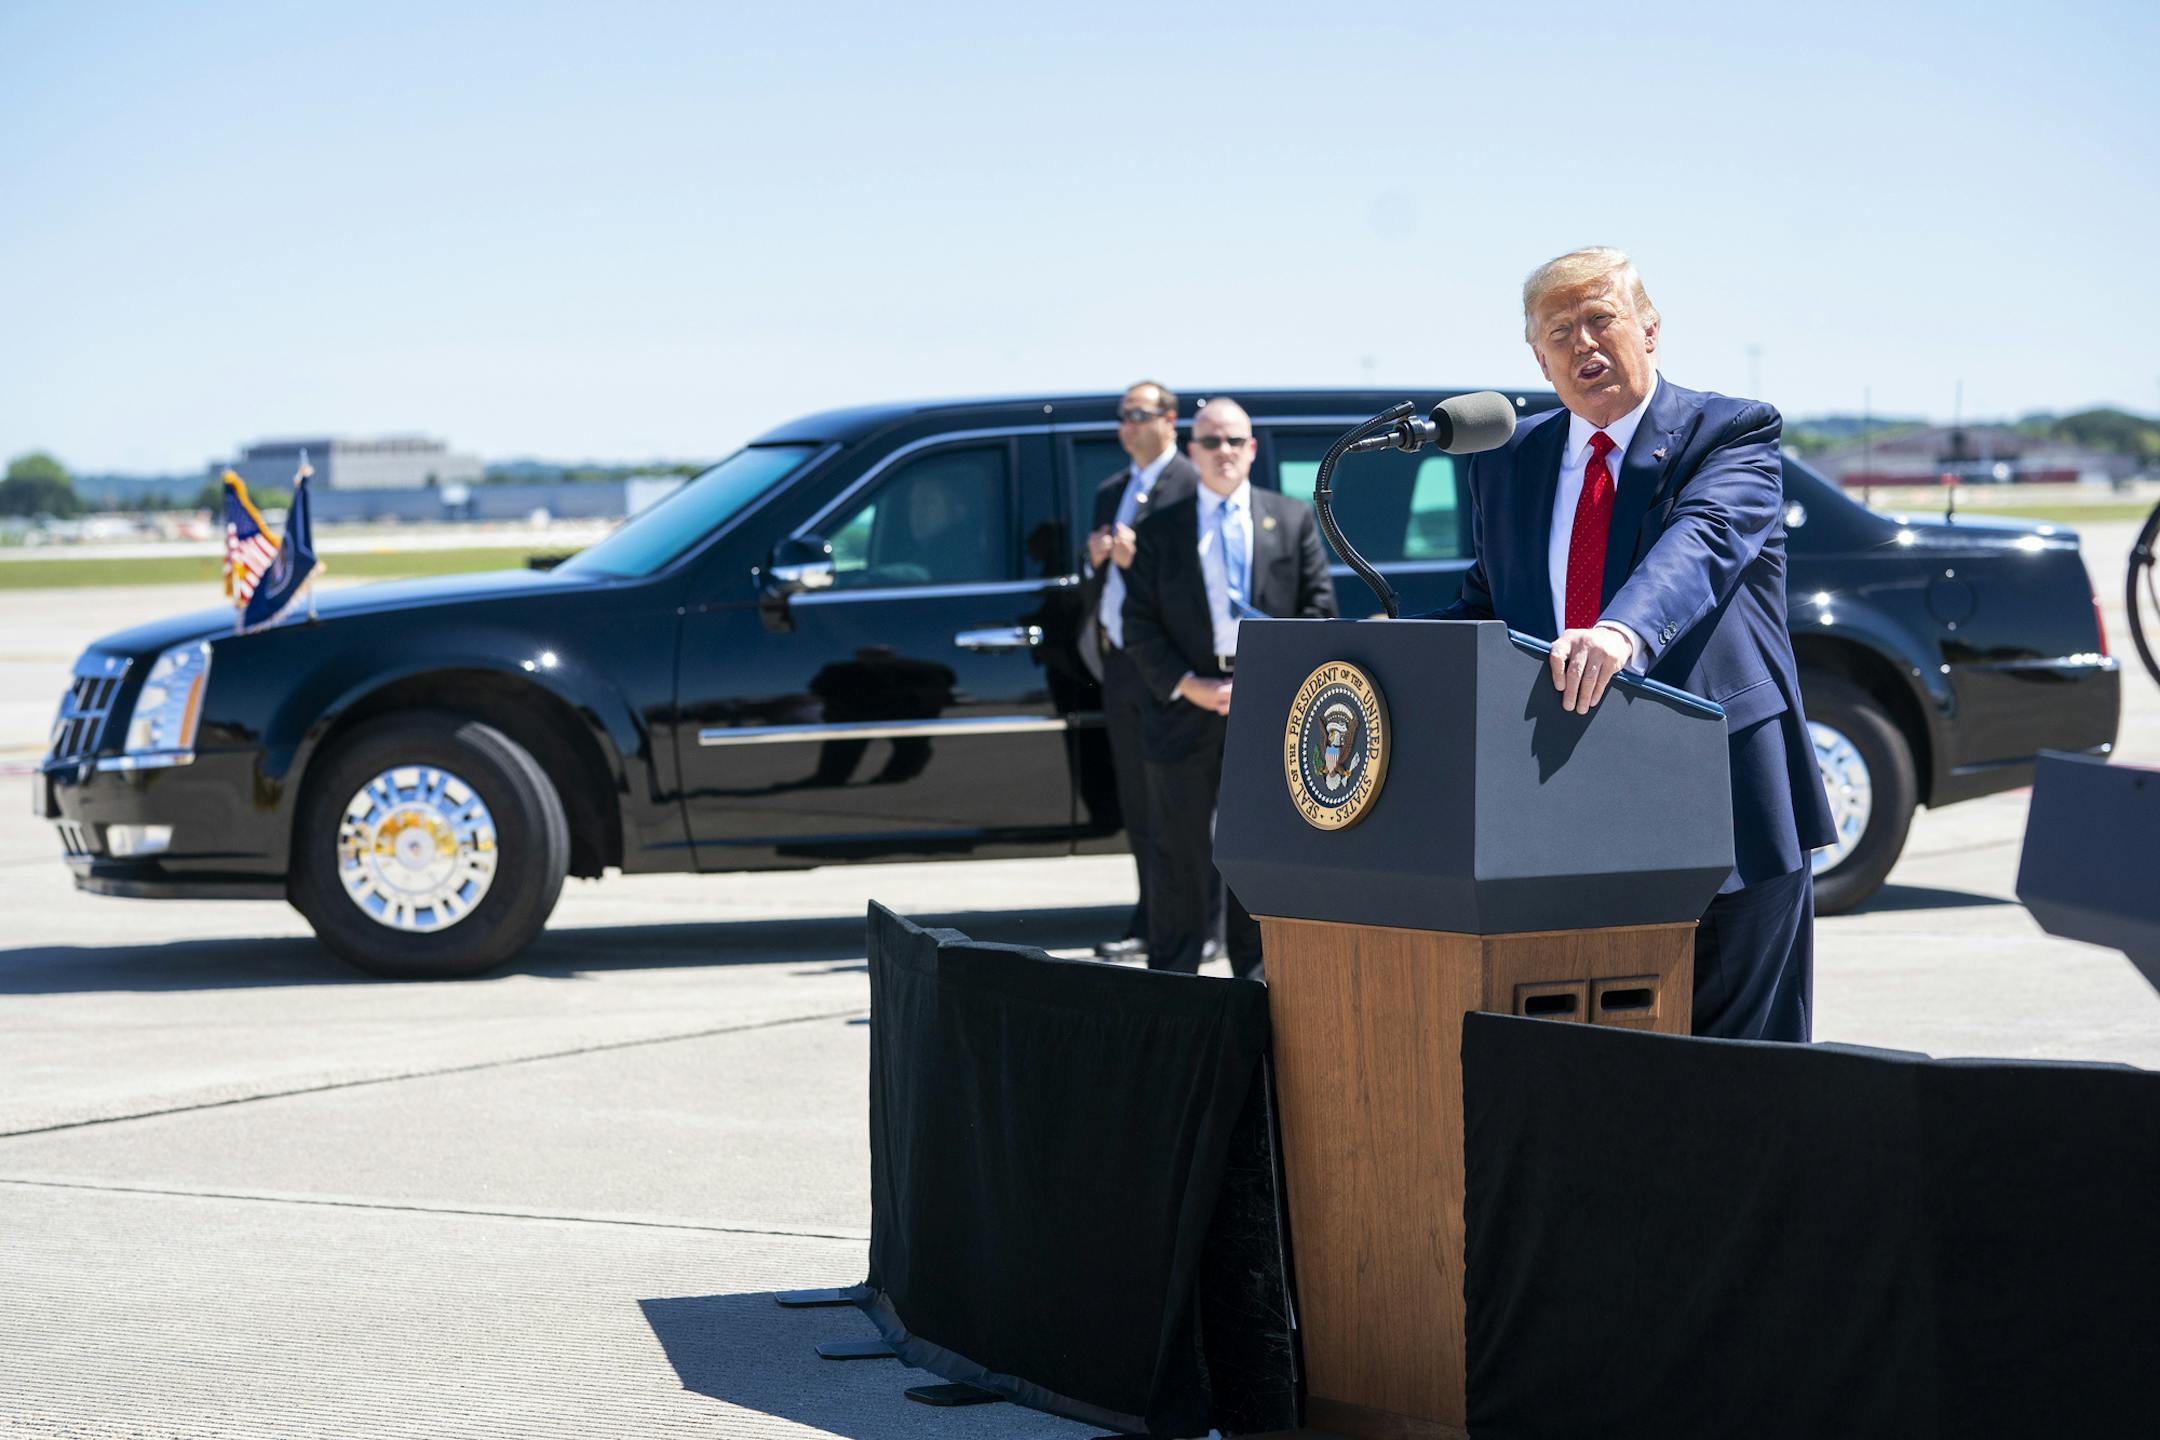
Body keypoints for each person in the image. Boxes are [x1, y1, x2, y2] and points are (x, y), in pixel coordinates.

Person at [1430, 247, 1836, 1041]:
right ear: (1537, 358)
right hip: (1565, 820)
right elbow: (1490, 601)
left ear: (1649, 331)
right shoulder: (1509, 462)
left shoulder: (1730, 433)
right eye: (1560, 331)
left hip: (1719, 807)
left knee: (1744, 1082)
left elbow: (1703, 541)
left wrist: (1621, 631)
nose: (1583, 343)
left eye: (1600, 320)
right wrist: (1386, 662)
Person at [1123, 396, 1338, 978]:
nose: (1224, 452)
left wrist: (1266, 685)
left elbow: (1319, 614)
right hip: (1185, 708)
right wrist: (1186, 684)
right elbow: (1136, 623)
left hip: (1269, 713)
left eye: (1234, 441)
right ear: (1192, 452)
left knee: (1260, 855)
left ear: (1252, 450)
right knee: (1179, 861)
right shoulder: (1159, 529)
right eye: (1211, 441)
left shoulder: (1290, 519)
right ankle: (1173, 992)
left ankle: (1258, 987)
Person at [1083, 381, 1200, 960]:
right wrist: (1097, 556)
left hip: (1175, 663)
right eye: (1122, 416)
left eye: (1139, 414)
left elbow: (1199, 576)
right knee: (1137, 800)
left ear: (1169, 420)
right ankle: (1150, 916)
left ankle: (1197, 924)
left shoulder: (1190, 483)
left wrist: (1137, 557)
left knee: (1181, 803)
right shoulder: (1112, 491)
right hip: (1121, 662)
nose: (1127, 425)